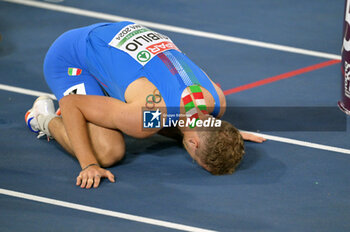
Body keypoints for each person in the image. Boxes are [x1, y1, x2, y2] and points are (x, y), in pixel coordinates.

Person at [25, 21, 266, 189]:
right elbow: (70, 103)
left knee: (146, 118)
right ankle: (42, 118)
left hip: (115, 36)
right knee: (108, 152)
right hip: (71, 58)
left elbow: (178, 115)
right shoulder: (147, 117)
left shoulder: (216, 100)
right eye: (195, 157)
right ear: (193, 143)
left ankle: (107, 102)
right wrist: (88, 164)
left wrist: (223, 134)